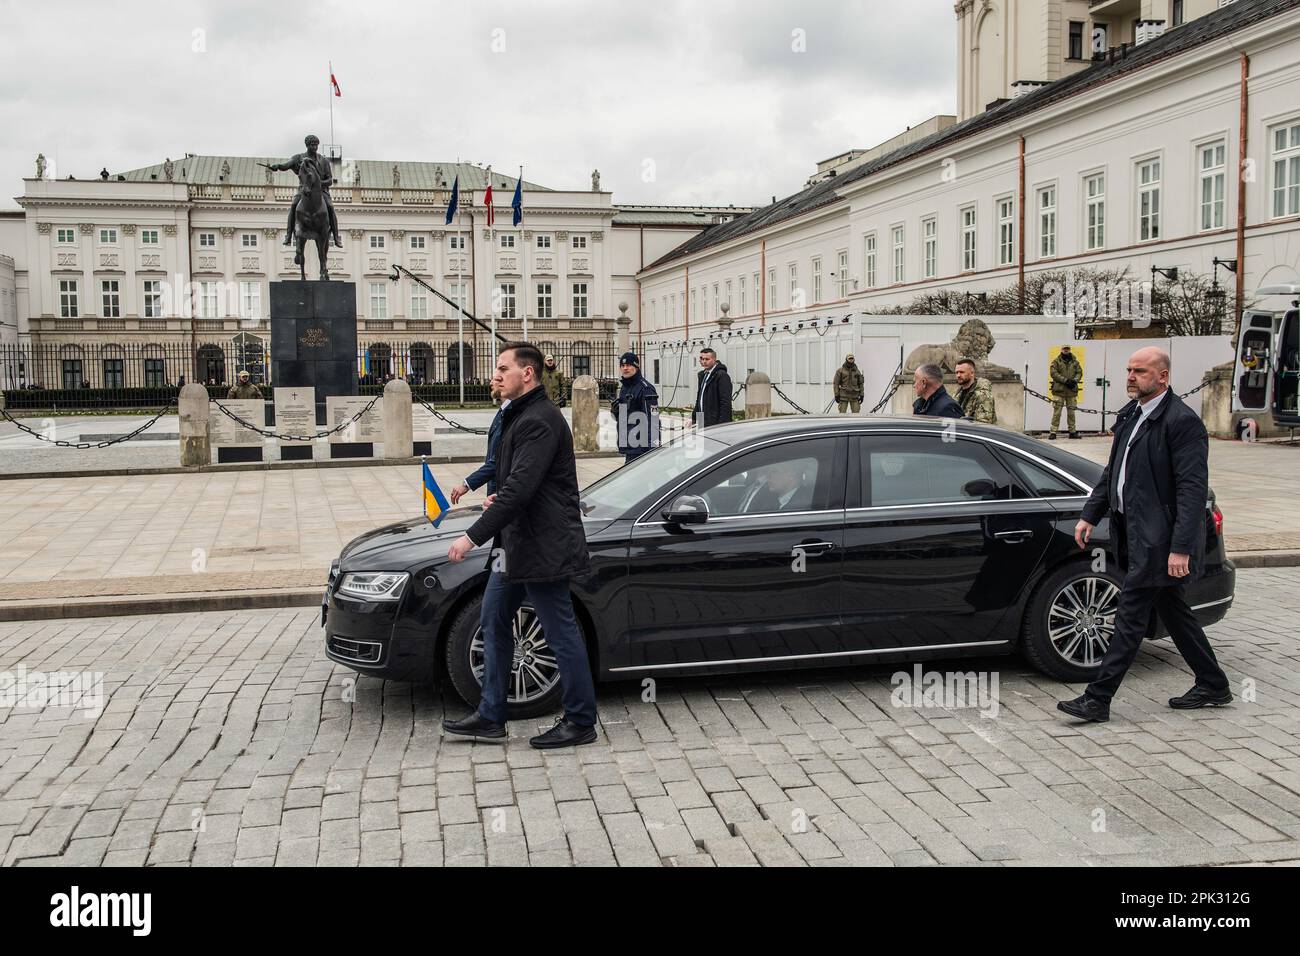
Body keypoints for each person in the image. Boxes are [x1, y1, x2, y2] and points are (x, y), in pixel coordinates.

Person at [1059, 347, 1231, 724]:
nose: (1131, 376)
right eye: (1129, 369)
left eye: (1140, 371)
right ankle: (1213, 683)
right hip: (1135, 532)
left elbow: (1191, 489)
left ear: (1163, 377)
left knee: (1130, 615)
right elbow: (1113, 472)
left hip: (1161, 540)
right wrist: (1091, 514)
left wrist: (1181, 548)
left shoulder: (1181, 422)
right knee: (1174, 610)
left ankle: (1098, 698)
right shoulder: (1131, 415)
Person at [443, 342, 598, 749]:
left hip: (543, 545)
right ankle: (491, 716)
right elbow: (516, 483)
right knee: (493, 620)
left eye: (502, 368)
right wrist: (495, 496)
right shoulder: (521, 415)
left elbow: (521, 491)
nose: (496, 374)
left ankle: (581, 720)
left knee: (560, 632)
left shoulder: (539, 420)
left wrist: (471, 534)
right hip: (514, 545)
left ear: (526, 373)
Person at [268, 134, 343, 248]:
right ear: (307, 145)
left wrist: (318, 184)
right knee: (294, 205)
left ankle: (336, 237)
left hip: (321, 191)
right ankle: (288, 235)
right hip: (304, 190)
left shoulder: (323, 161)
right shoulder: (298, 158)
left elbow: (329, 180)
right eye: (312, 145)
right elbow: (286, 166)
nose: (314, 147)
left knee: (330, 207)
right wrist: (277, 166)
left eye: (316, 145)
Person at [450, 384, 507, 503]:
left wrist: (467, 484)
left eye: (498, 377)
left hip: (503, 488)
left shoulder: (512, 414)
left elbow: (500, 458)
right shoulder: (503, 410)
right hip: (495, 486)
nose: (491, 382)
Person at [611, 351, 659, 463]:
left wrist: (653, 449)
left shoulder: (646, 389)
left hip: (641, 448)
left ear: (636, 367)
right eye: (622, 366)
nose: (625, 368)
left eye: (628, 365)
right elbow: (622, 418)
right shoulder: (625, 388)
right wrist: (615, 411)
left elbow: (653, 420)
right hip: (629, 445)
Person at [690, 347, 732, 428]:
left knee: (711, 441)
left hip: (715, 422)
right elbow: (699, 398)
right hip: (702, 419)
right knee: (701, 440)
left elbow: (725, 403)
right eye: (701, 359)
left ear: (714, 359)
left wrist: (722, 425)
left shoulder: (722, 376)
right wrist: (694, 418)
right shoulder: (702, 375)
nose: (704, 361)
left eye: (707, 359)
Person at [1049, 345, 1083, 439]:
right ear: (1061, 350)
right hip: (1059, 391)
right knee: (1057, 413)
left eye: (1067, 349)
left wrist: (1074, 381)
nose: (1066, 350)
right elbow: (1053, 373)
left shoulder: (1075, 362)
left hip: (1071, 391)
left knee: (1071, 413)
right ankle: (1053, 432)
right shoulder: (1056, 361)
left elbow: (1079, 372)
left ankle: (1072, 432)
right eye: (1064, 349)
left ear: (1069, 350)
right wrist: (1065, 381)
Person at [954, 358, 996, 424]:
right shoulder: (957, 394)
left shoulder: (982, 395)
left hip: (975, 433)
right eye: (956, 372)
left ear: (972, 373)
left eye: (962, 372)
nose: (958, 375)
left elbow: (984, 424)